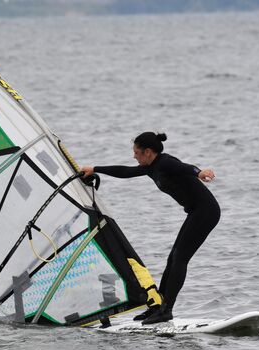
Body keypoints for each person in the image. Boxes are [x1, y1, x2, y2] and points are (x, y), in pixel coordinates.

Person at [81, 132, 220, 324]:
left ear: (147, 152)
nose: (134, 156)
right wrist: (95, 168)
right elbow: (125, 172)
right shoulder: (150, 167)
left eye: (136, 152)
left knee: (180, 258)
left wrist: (200, 172)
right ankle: (158, 306)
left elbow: (185, 168)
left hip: (206, 212)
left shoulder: (165, 163)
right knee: (173, 258)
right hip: (195, 212)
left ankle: (166, 310)